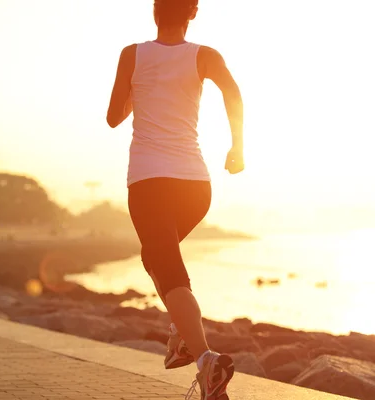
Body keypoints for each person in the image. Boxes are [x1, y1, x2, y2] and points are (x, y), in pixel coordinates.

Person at [106, 0, 244, 398]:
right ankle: (181, 335)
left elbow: (115, 116)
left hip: (150, 183)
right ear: (193, 12)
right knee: (158, 259)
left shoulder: (132, 55)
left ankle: (205, 360)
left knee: (165, 266)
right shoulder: (205, 56)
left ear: (155, 11)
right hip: (196, 187)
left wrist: (137, 88)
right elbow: (233, 93)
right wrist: (238, 147)